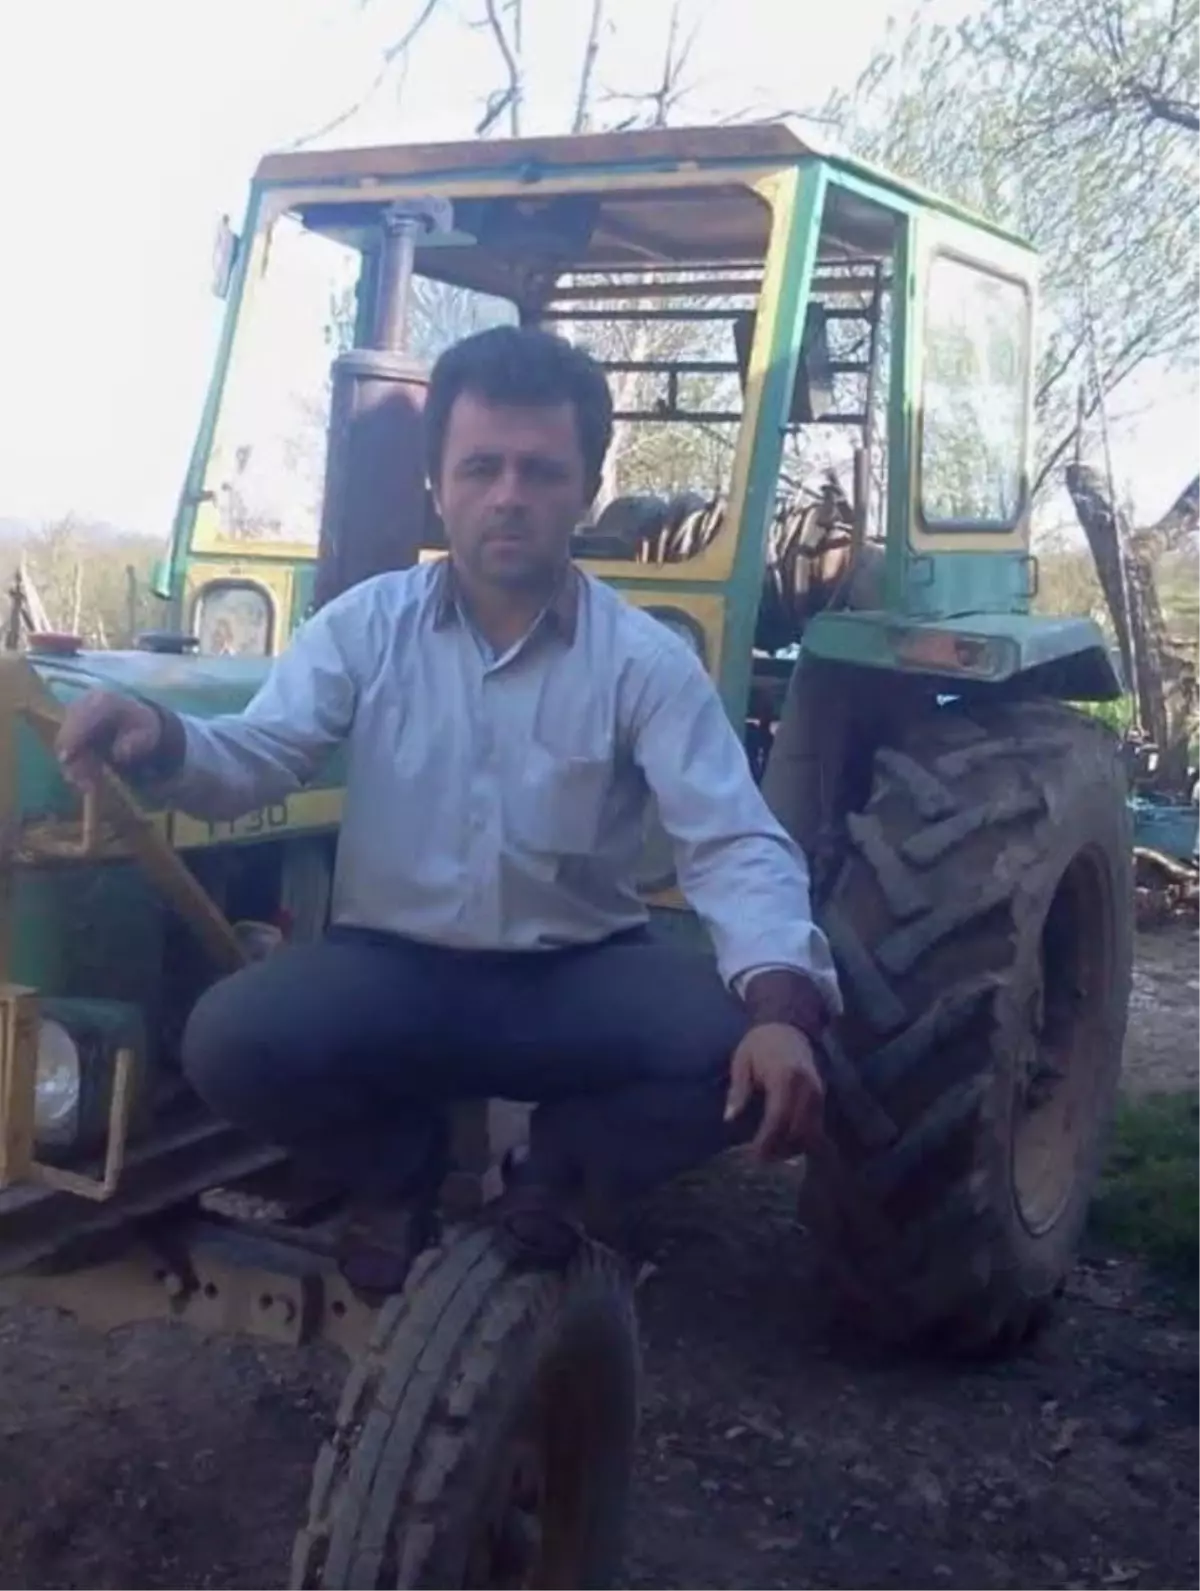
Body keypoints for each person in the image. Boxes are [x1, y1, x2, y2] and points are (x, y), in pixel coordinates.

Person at [55, 325, 841, 1295]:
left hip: (575, 979)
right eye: (480, 467)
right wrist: (163, 737)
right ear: (439, 486)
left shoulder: (644, 661)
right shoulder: (363, 628)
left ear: (587, 489)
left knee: (764, 1049)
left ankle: (553, 1173)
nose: (509, 494)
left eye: (540, 470)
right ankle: (398, 1173)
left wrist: (778, 1006)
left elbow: (731, 843)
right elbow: (260, 756)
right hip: (396, 969)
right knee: (227, 1039)